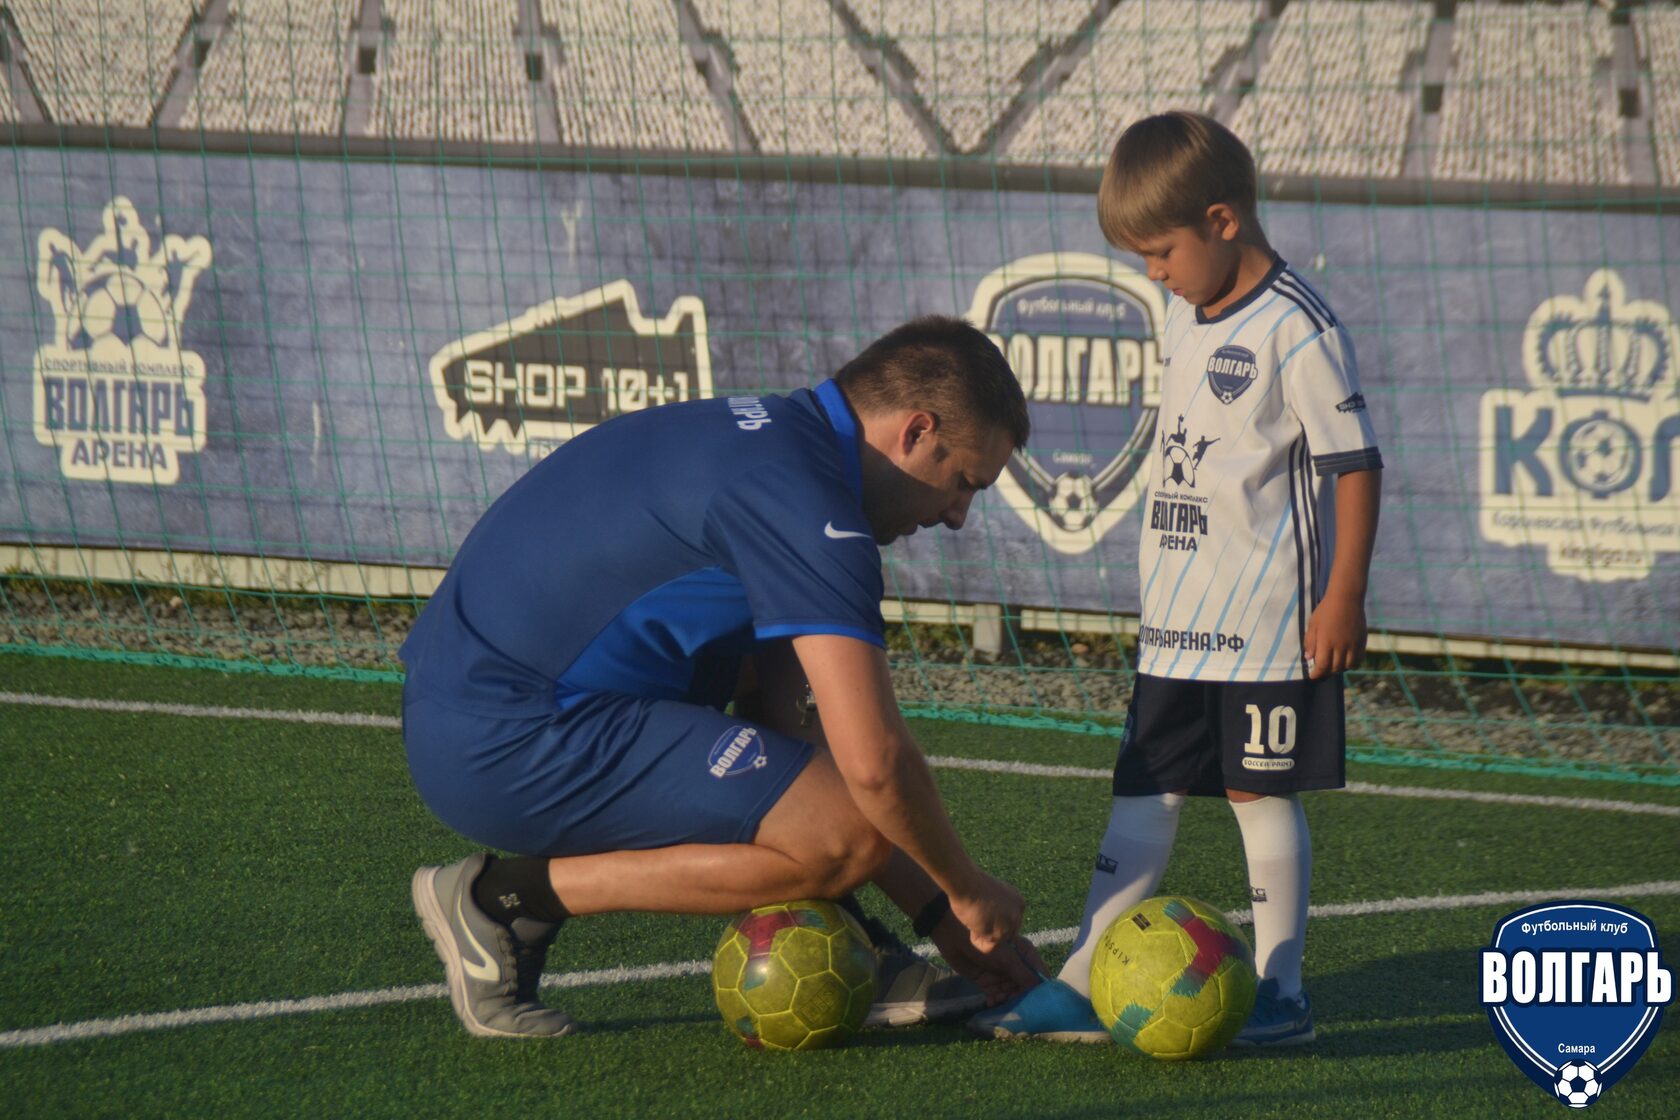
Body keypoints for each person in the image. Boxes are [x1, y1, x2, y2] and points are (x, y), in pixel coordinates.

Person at [401, 315, 1045, 1037]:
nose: (958, 514)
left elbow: (794, 725)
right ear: (916, 431)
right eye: (963, 482)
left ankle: (865, 944)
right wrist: (965, 892)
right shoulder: (809, 510)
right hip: (503, 737)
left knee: (804, 765)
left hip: (473, 703)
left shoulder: (774, 439)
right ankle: (505, 901)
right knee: (841, 838)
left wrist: (932, 915)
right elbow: (875, 764)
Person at [971, 111, 1383, 1046]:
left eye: (1160, 251)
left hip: (1270, 620)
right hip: (1175, 617)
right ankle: (1082, 977)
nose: (1151, 273)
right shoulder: (1177, 312)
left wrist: (1343, 594)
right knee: (1142, 787)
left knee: (1257, 793)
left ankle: (1281, 994)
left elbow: (1353, 463)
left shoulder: (1300, 327)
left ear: (1223, 219)